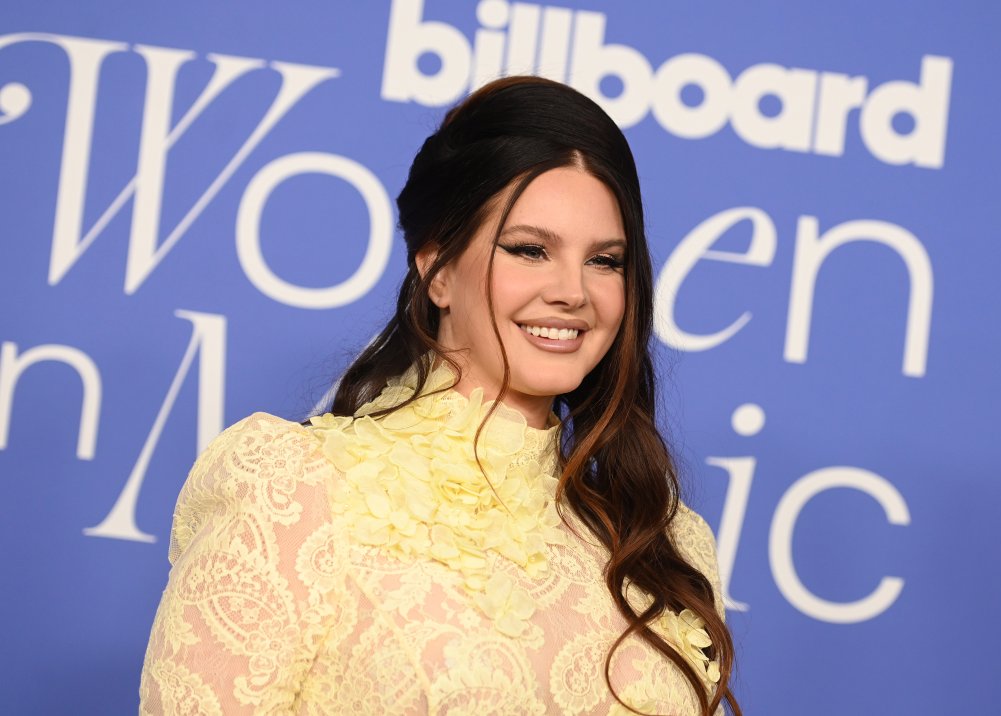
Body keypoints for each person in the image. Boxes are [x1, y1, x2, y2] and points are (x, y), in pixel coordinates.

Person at [140, 76, 740, 716]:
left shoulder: (662, 540)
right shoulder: (294, 488)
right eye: (530, 250)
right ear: (438, 268)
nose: (573, 291)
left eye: (606, 260)